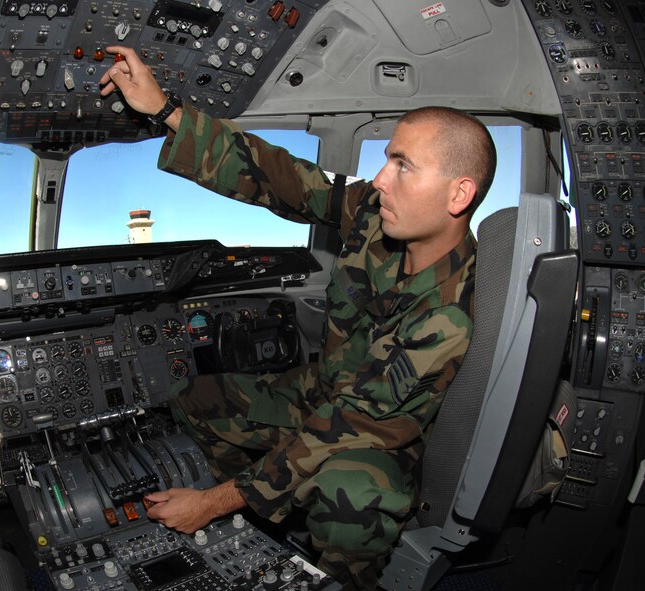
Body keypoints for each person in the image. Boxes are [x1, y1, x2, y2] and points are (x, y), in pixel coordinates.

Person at [100, 46, 497, 589]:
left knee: (350, 496)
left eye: (403, 165)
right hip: (322, 392)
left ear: (460, 193)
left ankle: (334, 575)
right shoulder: (374, 214)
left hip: (379, 439)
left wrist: (213, 504)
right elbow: (283, 177)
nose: (380, 179)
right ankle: (251, 526)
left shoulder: (449, 313)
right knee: (199, 397)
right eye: (386, 159)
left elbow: (351, 427)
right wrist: (167, 110)